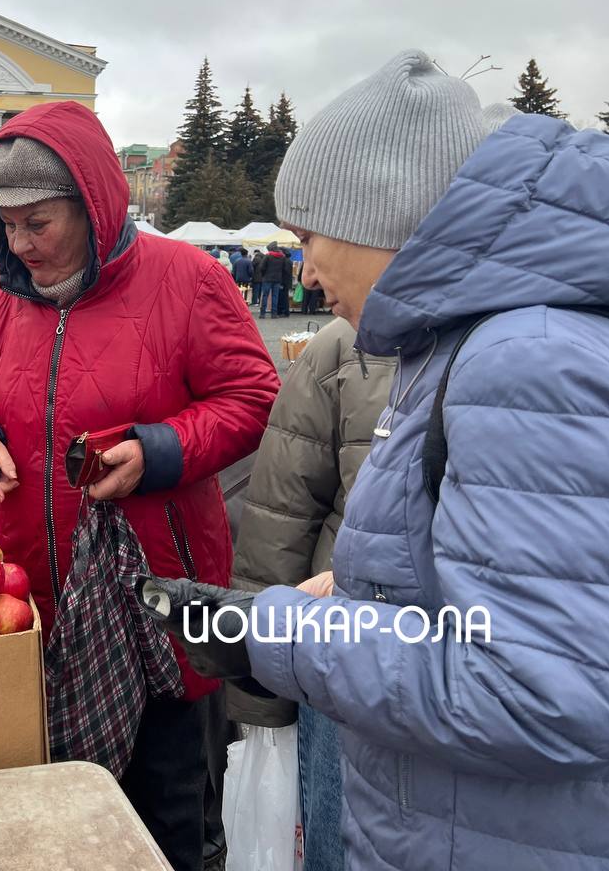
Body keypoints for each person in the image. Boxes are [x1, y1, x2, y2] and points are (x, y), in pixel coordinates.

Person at [147, 51, 609, 870]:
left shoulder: (523, 360)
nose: (304, 271)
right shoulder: (472, 342)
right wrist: (374, 587)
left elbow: (544, 690)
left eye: (308, 236)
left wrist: (270, 632)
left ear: (382, 212)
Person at [0, 102, 280, 871]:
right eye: (8, 226)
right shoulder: (5, 296)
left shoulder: (188, 277)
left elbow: (253, 397)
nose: (23, 246)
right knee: (58, 818)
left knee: (167, 824)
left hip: (161, 609)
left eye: (40, 223)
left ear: (93, 201)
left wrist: (159, 450)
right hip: (33, 599)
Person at [225, 316, 394, 871]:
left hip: (451, 675)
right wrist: (261, 691)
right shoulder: (341, 346)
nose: (312, 275)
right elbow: (282, 516)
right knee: (334, 846)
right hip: (337, 669)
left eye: (312, 243)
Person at [258, 242, 287, 318]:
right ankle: (274, 314)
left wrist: (264, 274)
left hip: (267, 278)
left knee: (265, 296)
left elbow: (261, 267)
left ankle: (262, 313)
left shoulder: (267, 256)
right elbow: (284, 269)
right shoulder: (282, 257)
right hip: (277, 279)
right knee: (275, 296)